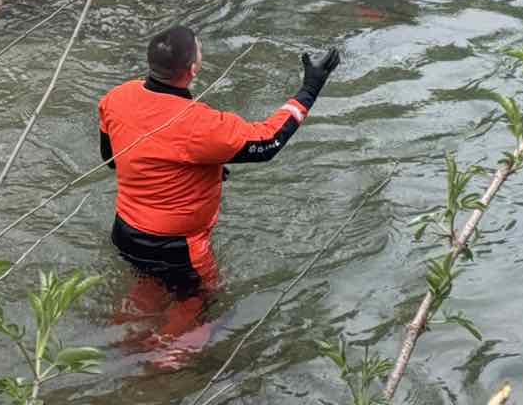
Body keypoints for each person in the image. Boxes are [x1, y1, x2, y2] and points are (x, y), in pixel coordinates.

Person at [98, 26, 341, 302]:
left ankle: (124, 331)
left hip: (125, 233)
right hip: (176, 247)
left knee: (142, 298)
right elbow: (268, 141)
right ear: (193, 69)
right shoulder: (201, 124)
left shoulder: (117, 97)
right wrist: (310, 88)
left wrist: (195, 170)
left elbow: (113, 160)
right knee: (199, 308)